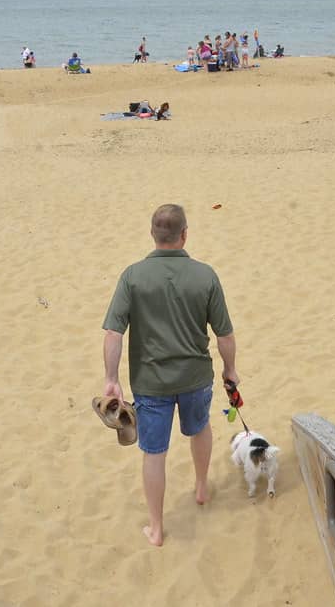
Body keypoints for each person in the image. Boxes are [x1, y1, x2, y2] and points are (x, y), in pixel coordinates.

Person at [102, 204, 238, 548]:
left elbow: (113, 334)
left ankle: (157, 528)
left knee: (154, 453)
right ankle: (203, 486)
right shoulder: (205, 275)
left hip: (151, 383)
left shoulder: (132, 276)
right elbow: (224, 336)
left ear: (152, 234)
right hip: (195, 376)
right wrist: (230, 371)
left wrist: (111, 378)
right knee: (199, 428)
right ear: (184, 235)